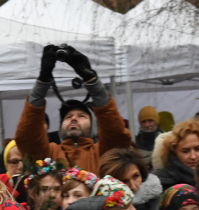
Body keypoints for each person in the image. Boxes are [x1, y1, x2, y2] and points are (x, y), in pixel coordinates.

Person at [14, 44, 133, 174]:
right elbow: (27, 138)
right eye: (68, 117)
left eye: (82, 116)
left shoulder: (102, 153)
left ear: (93, 126)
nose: (74, 118)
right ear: (60, 127)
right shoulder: (49, 154)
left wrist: (92, 81)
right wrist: (43, 81)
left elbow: (116, 134)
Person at [152, 118, 199, 188]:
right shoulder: (158, 181)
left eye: (198, 149)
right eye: (185, 151)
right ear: (174, 151)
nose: (193, 156)